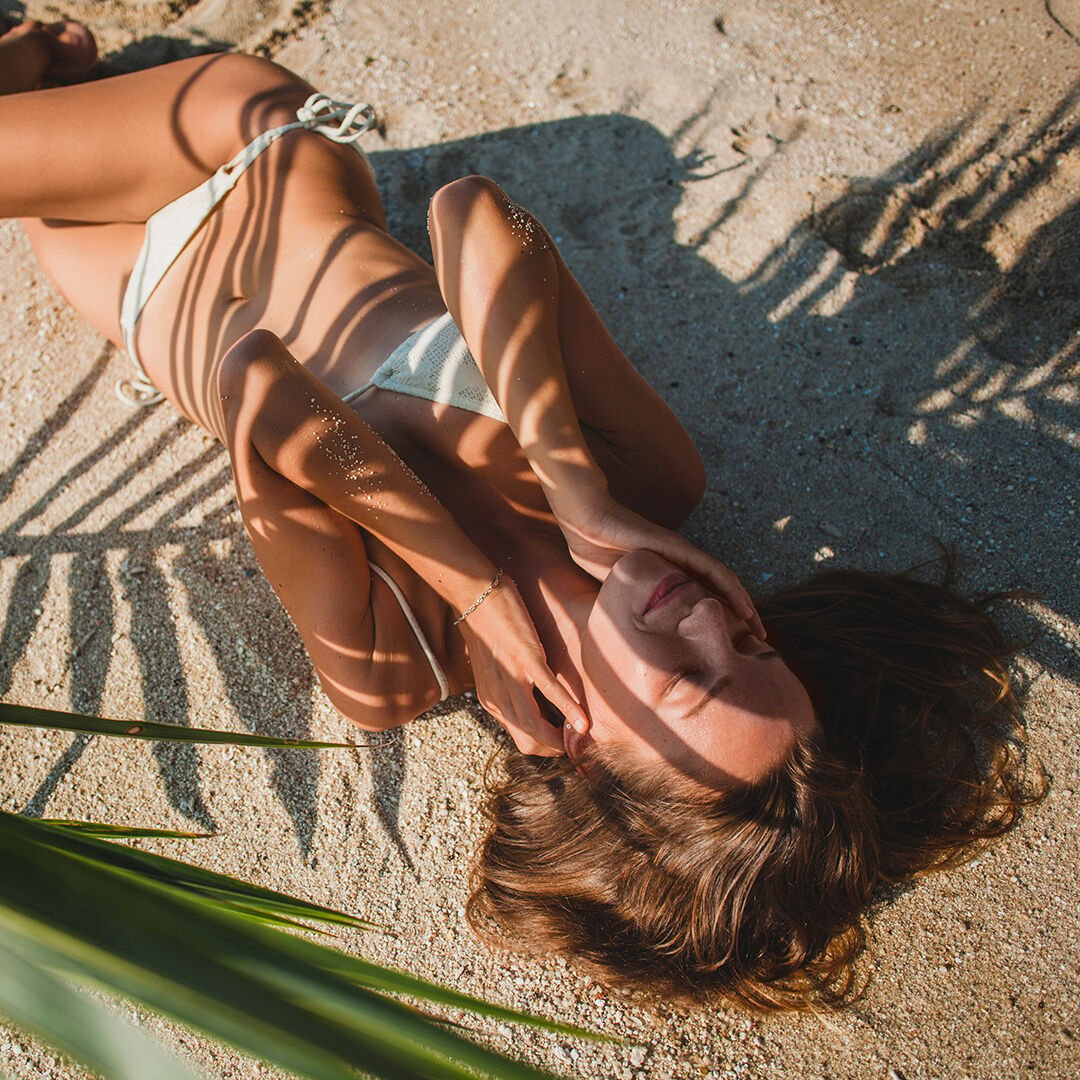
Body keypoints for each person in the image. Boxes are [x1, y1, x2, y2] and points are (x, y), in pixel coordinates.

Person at [0, 19, 1041, 1010]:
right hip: (246, 156)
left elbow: (260, 380)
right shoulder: (646, 482)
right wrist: (574, 491)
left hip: (141, 294)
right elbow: (472, 214)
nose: (706, 617)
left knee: (38, 191)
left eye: (689, 676)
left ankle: (40, 65)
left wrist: (474, 587)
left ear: (584, 753)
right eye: (752, 641)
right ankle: (47, 72)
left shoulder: (391, 666)